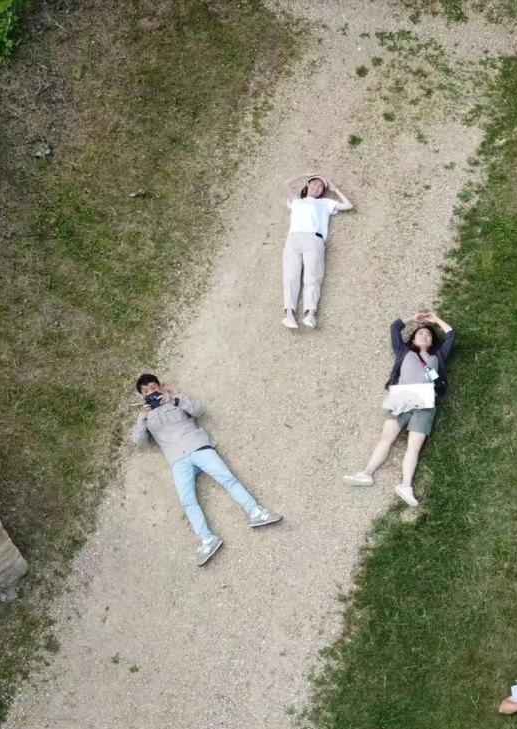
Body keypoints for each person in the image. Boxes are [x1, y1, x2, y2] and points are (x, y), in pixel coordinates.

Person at [131, 374, 281, 566]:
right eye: (146, 391)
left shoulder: (177, 399)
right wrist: (141, 420)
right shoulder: (146, 417)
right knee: (187, 501)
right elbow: (138, 442)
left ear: (160, 386)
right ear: (142, 397)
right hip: (177, 460)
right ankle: (207, 540)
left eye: (153, 387)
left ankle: (256, 512)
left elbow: (199, 409)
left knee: (227, 478)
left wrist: (174, 400)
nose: (151, 392)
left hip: (197, 446)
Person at [342, 310, 457, 507]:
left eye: (428, 334)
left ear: (432, 341)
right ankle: (366, 473)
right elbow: (395, 327)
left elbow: (452, 335)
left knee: (414, 447)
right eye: (420, 333)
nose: (424, 335)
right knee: (386, 438)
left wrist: (436, 319)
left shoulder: (438, 355)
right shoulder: (404, 352)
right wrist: (414, 318)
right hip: (401, 399)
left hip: (425, 404)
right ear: (412, 338)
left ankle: (406, 485)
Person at [281, 173, 353, 330]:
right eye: (314, 184)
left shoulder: (325, 203)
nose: (317, 187)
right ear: (307, 185)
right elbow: (285, 183)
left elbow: (348, 206)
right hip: (294, 238)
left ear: (322, 192)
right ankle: (289, 314)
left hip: (314, 239)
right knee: (291, 277)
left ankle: (310, 313)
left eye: (321, 186)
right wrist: (304, 175)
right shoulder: (296, 201)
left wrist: (335, 189)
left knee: (312, 277)